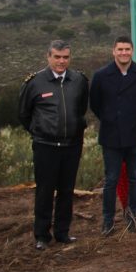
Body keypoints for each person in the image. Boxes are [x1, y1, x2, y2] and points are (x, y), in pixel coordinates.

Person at [18, 40, 89, 250]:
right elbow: (24, 114)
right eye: (57, 57)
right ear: (48, 57)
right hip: (45, 146)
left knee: (67, 191)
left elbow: (81, 108)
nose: (61, 61)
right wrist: (40, 131)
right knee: (45, 191)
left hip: (71, 145)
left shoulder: (79, 80)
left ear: (70, 58)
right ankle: (41, 235)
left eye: (65, 57)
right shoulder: (35, 82)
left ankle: (62, 233)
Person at [89, 35, 136, 235]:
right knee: (111, 179)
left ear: (132, 51)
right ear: (113, 51)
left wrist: (133, 118)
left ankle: (133, 218)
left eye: (127, 49)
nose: (124, 53)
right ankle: (108, 221)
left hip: (135, 134)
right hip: (111, 135)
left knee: (135, 178)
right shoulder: (101, 75)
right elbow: (95, 104)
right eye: (120, 50)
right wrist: (110, 118)